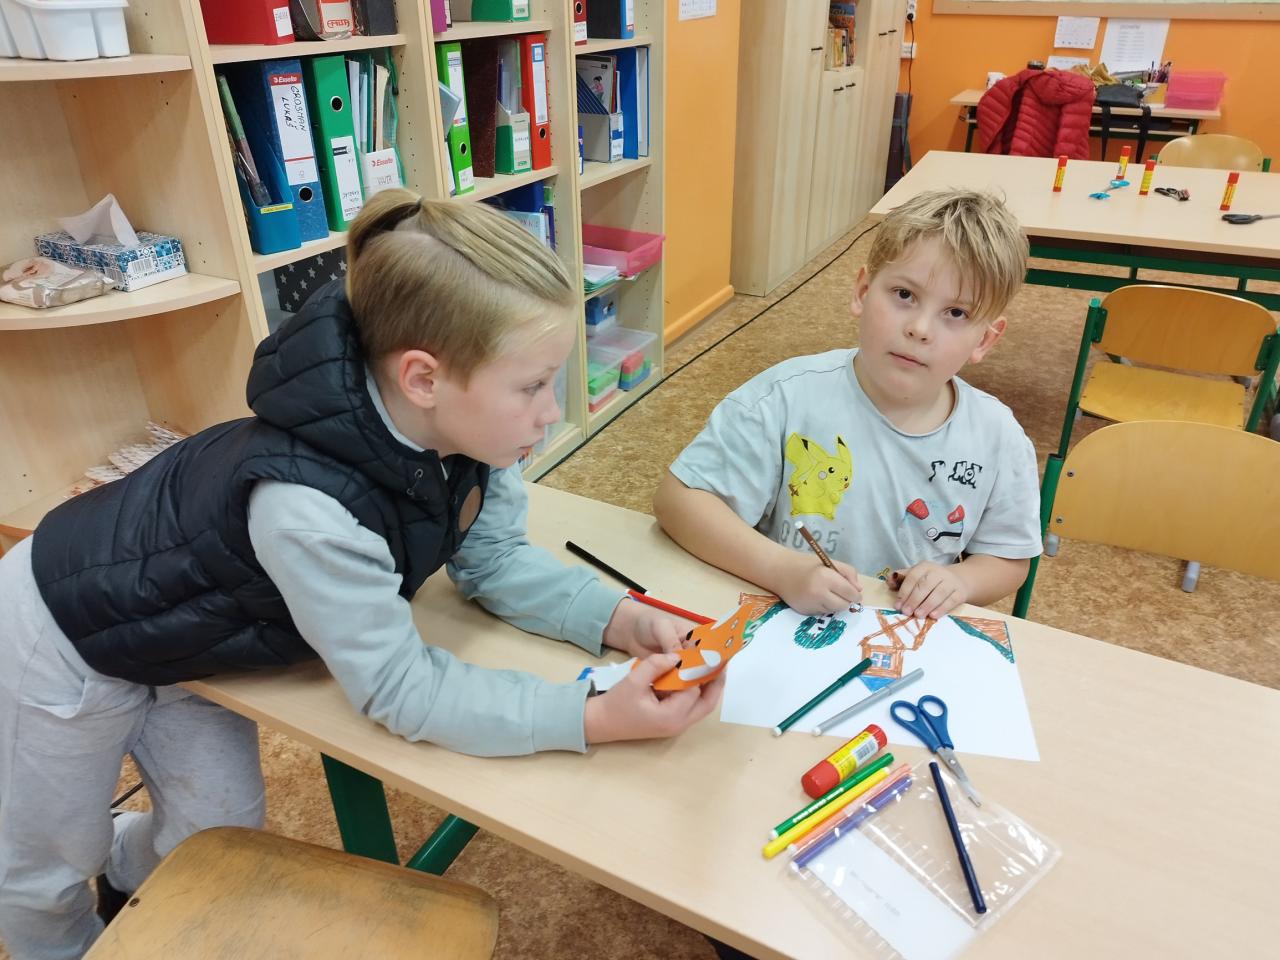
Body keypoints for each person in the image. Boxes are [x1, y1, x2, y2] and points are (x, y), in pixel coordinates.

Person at [0, 189, 721, 960]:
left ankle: (125, 871)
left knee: (214, 828)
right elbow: (402, 691)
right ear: (423, 378)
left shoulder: (472, 435)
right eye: (532, 386)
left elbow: (495, 560)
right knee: (46, 864)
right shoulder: (306, 511)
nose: (552, 411)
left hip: (192, 635)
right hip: (64, 635)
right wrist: (593, 716)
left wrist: (620, 619)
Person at [654, 188, 1041, 622]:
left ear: (985, 339)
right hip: (784, 619)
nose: (919, 328)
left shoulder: (998, 437)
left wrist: (961, 581)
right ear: (862, 291)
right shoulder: (785, 396)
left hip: (902, 638)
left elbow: (1009, 559)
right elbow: (678, 501)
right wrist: (782, 569)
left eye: (956, 314)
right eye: (904, 294)